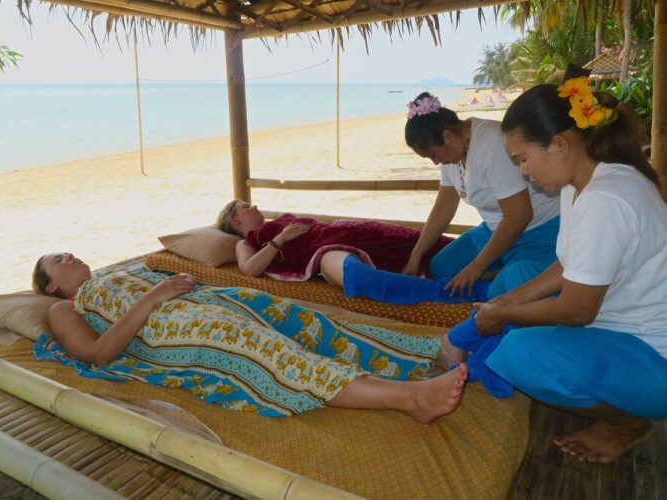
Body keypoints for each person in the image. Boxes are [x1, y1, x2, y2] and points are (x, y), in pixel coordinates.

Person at [447, 80, 667, 463]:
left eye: (523, 160)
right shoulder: (579, 183)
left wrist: (501, 314)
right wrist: (508, 301)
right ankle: (498, 329)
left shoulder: (605, 199)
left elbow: (577, 310)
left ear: (560, 146)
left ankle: (627, 424)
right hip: (621, 326)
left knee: (520, 354)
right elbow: (569, 264)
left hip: (653, 358)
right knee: (516, 280)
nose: (523, 172)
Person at [32, 252, 468, 421]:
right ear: (51, 285)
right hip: (170, 330)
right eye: (58, 260)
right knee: (271, 351)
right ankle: (409, 399)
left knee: (301, 319)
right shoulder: (64, 308)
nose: (69, 255)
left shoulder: (115, 273)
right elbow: (98, 354)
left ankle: (433, 352)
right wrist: (154, 296)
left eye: (67, 252)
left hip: (202, 302)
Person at [402, 92, 561, 299]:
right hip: (494, 228)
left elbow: (519, 217)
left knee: (504, 289)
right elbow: (443, 208)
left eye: (433, 154)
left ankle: (499, 274)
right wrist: (415, 257)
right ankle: (500, 270)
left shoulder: (491, 143)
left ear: (448, 136)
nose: (435, 162)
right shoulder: (452, 153)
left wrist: (477, 267)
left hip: (536, 229)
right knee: (441, 269)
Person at [217, 200, 490, 304]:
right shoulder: (246, 243)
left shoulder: (279, 219)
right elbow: (248, 269)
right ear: (236, 221)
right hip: (322, 254)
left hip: (344, 232)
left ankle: (495, 258)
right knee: (357, 277)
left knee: (420, 243)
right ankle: (463, 291)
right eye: (246, 207)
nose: (254, 206)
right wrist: (280, 239)